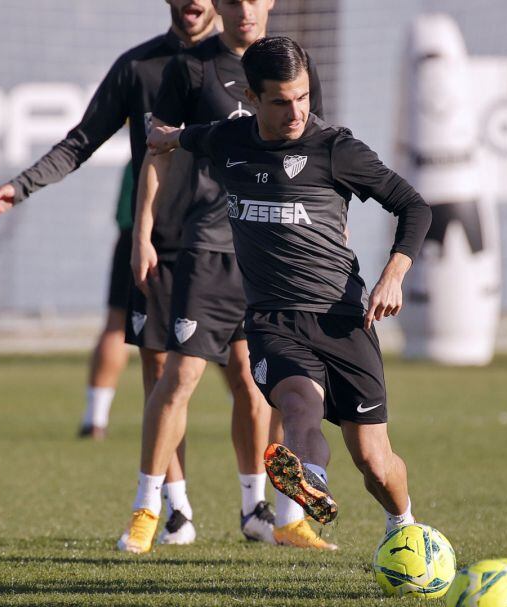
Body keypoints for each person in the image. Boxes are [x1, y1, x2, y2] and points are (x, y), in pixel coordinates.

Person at [145, 35, 432, 550]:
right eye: (280, 101)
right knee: (297, 405)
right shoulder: (230, 139)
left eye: (302, 97)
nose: (295, 111)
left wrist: (394, 273)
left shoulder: (335, 148)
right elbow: (189, 137)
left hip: (343, 318)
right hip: (273, 321)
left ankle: (403, 525)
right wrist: (165, 137)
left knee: (373, 459)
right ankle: (311, 480)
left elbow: (415, 206)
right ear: (252, 99)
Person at [0, 0, 217, 529]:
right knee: (160, 374)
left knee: (250, 375)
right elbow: (82, 140)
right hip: (159, 242)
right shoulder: (139, 67)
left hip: (234, 243)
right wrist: (22, 185)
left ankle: (267, 508)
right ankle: (176, 506)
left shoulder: (248, 63)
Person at [118, 1, 328, 553]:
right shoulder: (190, 68)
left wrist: (331, 238)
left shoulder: (294, 65)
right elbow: (157, 152)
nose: (245, 12)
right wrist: (142, 234)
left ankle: (273, 516)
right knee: (180, 375)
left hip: (274, 251)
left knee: (266, 384)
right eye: (233, 1)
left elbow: (315, 155)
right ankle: (147, 507)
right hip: (210, 245)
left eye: (255, 1)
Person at [77, 163, 135, 440]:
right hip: (197, 240)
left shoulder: (146, 136)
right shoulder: (207, 133)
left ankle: (94, 419)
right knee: (227, 334)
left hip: (135, 236)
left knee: (117, 323)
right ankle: (253, 417)